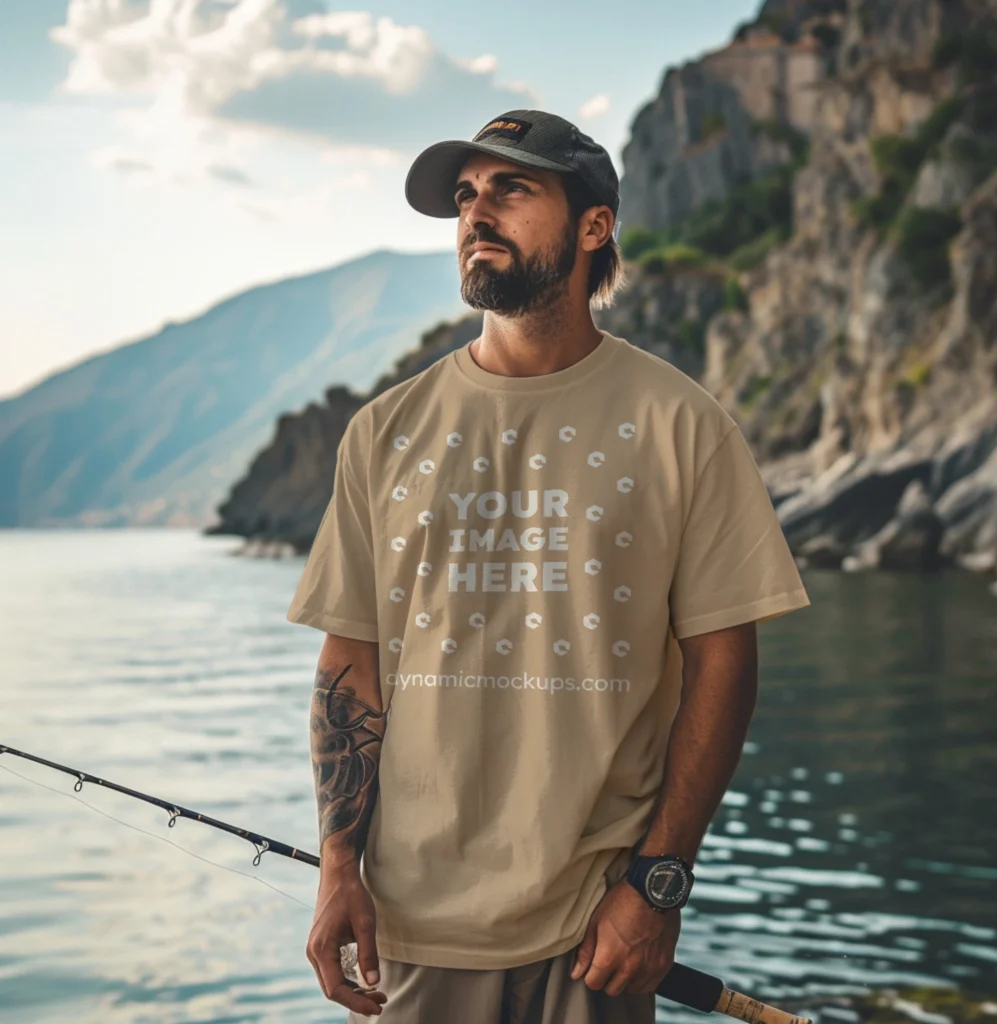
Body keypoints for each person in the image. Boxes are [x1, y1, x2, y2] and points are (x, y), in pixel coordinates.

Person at [286, 108, 811, 1023]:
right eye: (465, 196)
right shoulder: (384, 433)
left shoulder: (681, 425)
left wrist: (657, 886)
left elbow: (724, 663)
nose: (476, 214)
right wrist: (338, 868)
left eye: (512, 190)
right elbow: (351, 665)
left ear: (593, 226)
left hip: (596, 930)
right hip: (417, 931)